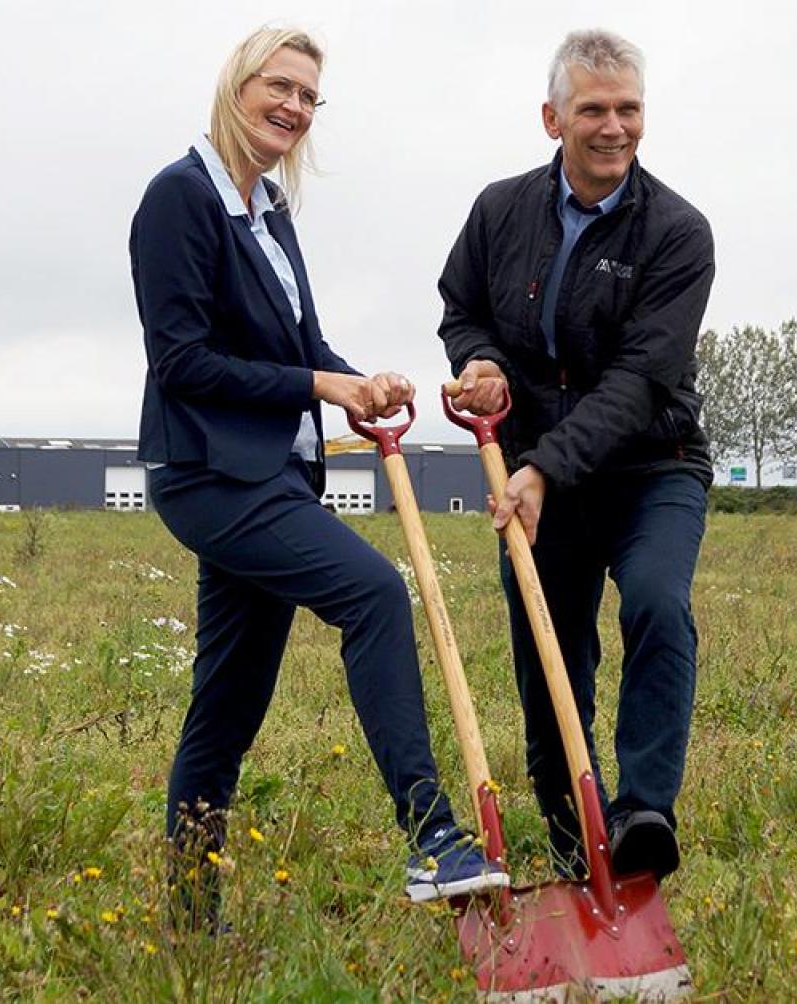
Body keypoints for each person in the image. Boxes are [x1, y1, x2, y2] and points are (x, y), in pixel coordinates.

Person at [130, 26, 507, 919]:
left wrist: (355, 383)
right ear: (237, 86)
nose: (294, 108)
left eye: (309, 97)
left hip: (278, 472)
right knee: (375, 592)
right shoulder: (179, 200)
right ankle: (433, 838)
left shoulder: (269, 213)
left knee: (228, 701)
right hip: (210, 475)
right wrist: (318, 381)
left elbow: (299, 348)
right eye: (281, 87)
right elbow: (182, 362)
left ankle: (189, 919)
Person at [438, 28, 715, 881]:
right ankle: (569, 835)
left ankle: (641, 815)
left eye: (628, 109)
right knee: (549, 650)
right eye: (593, 109)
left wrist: (545, 465)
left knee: (658, 609)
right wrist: (478, 364)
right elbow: (462, 310)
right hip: (538, 480)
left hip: (649, 467)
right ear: (552, 116)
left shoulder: (677, 233)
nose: (613, 127)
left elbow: (639, 381)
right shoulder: (498, 209)